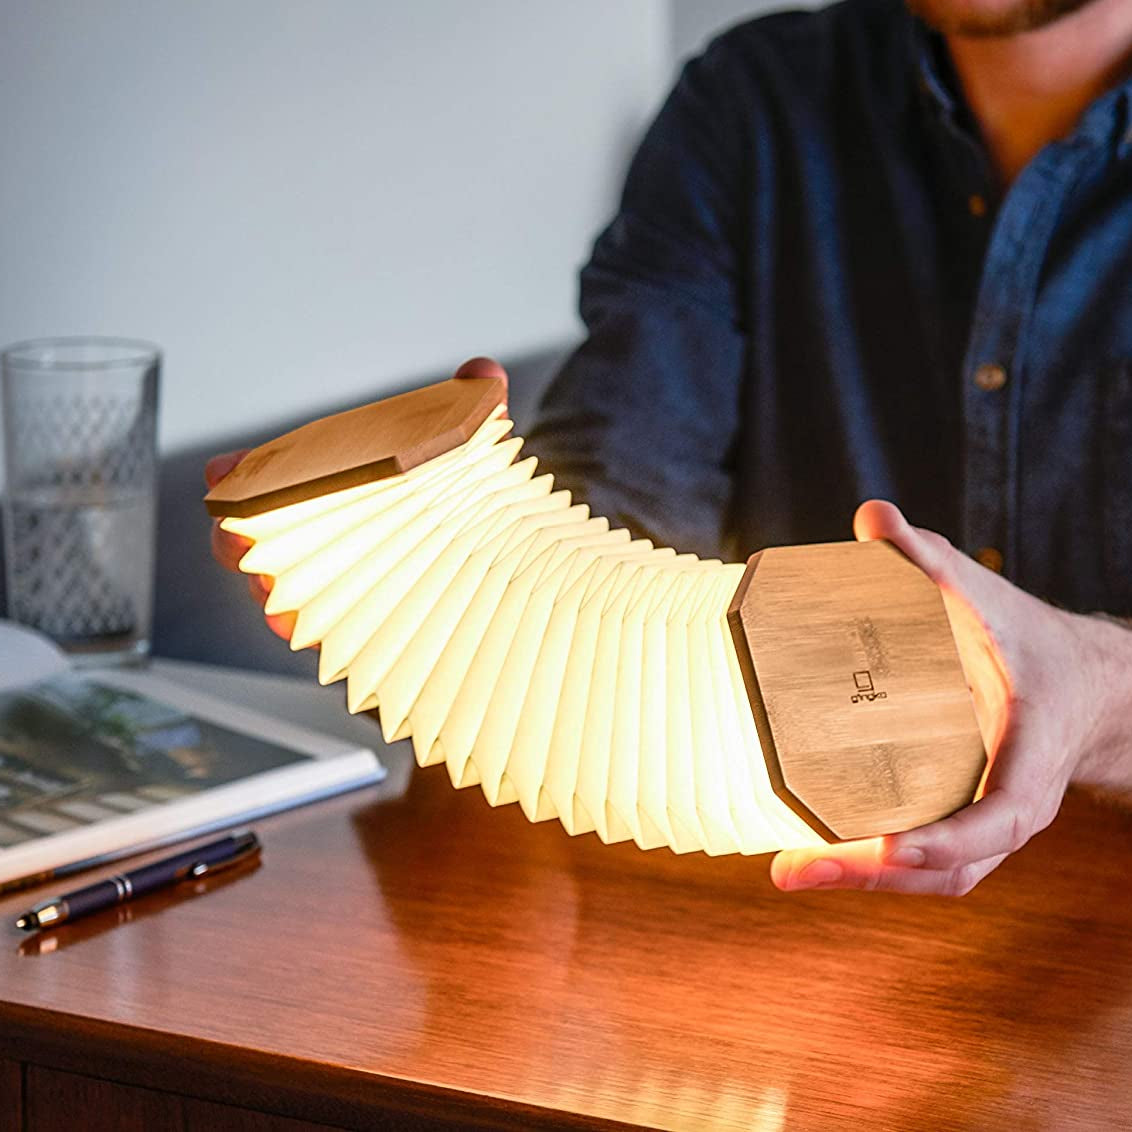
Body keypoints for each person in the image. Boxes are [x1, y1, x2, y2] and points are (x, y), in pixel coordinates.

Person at [209, 0, 1132, 896]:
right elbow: (619, 484)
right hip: (749, 929)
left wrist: (1094, 691)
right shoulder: (759, 99)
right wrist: (426, 590)